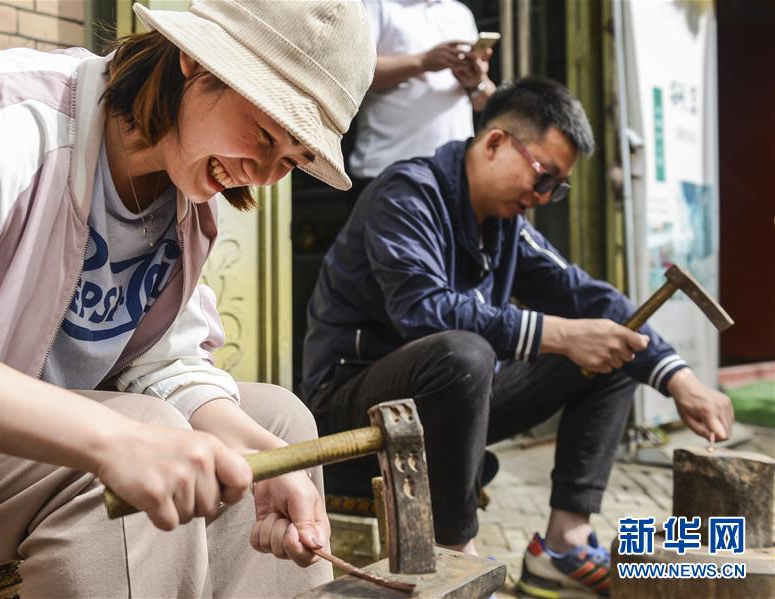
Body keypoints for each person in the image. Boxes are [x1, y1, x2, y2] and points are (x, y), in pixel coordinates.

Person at [0, 1, 375, 596]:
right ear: (197, 60)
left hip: (5, 473)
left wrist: (260, 453)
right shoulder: (3, 115)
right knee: (143, 432)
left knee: (278, 425)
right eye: (265, 135)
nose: (265, 175)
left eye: (292, 160)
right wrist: (113, 440)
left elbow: (165, 361)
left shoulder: (186, 201)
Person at [301, 77, 734, 598]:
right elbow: (423, 310)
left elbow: (588, 297)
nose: (543, 197)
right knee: (464, 352)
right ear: (495, 142)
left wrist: (679, 379)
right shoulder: (407, 194)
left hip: (440, 406)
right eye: (543, 176)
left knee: (613, 348)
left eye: (557, 187)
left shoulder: (506, 225)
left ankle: (564, 545)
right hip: (349, 410)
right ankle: (454, 554)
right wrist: (558, 334)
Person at [348, 0, 497, 186]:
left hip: (454, 173)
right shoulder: (375, 4)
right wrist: (422, 62)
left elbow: (482, 103)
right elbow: (355, 71)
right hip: (388, 168)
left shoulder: (460, 13)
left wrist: (476, 82)